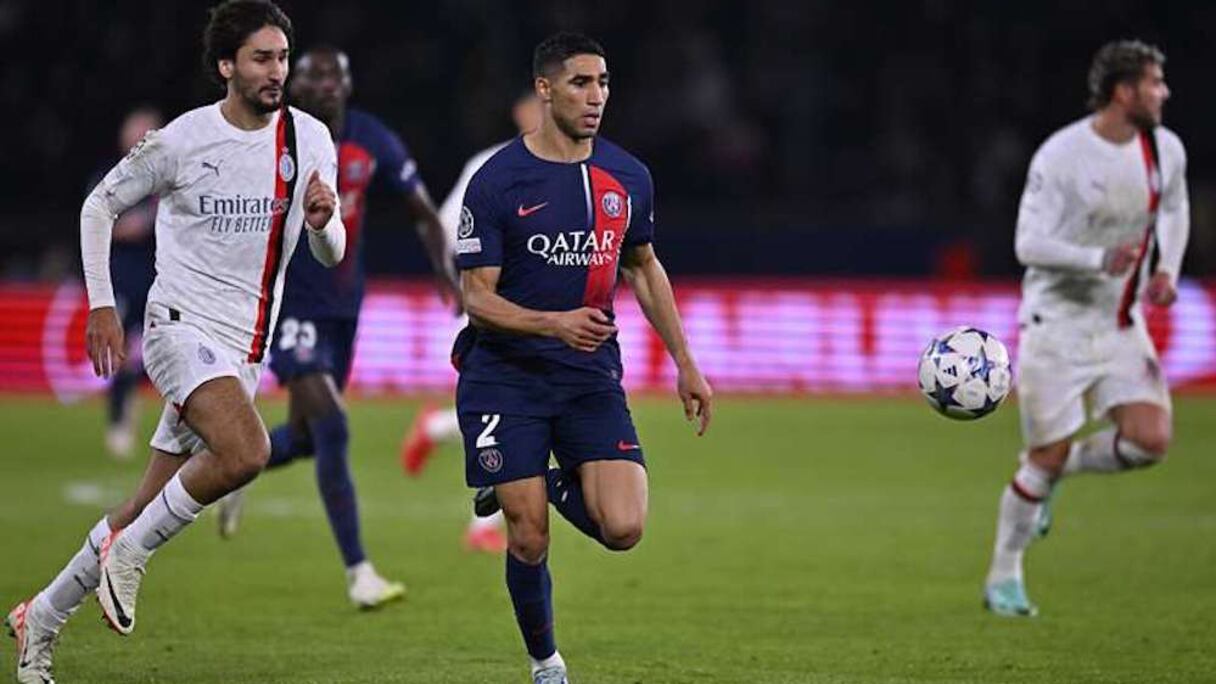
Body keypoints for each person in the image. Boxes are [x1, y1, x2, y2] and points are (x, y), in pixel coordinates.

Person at [5, 2, 345, 681]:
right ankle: (129, 557)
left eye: (282, 58)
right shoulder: (183, 142)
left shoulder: (309, 140)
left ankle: (38, 619)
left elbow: (330, 252)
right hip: (177, 330)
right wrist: (102, 305)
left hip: (242, 350)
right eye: (261, 58)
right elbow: (99, 205)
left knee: (137, 506)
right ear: (227, 66)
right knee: (248, 451)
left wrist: (321, 223)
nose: (277, 71)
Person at [453, 33, 713, 683]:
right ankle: (547, 665)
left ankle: (524, 472)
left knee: (623, 527)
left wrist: (685, 360)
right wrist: (551, 323)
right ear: (545, 89)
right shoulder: (497, 181)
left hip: (589, 376)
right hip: (504, 377)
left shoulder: (627, 177)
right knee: (528, 535)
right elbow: (476, 299)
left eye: (602, 83)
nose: (595, 96)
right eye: (579, 83)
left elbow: (645, 268)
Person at [214, 45, 454, 609]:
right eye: (311, 77)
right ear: (294, 88)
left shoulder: (371, 140)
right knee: (334, 426)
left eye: (332, 76)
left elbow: (422, 211)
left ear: (347, 85)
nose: (322, 85)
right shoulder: (271, 139)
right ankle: (359, 574)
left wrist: (448, 273)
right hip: (288, 305)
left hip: (344, 308)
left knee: (302, 439)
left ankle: (229, 466)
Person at [983, 40, 1188, 617]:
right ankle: (1005, 577)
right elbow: (1028, 243)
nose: (1164, 92)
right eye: (1154, 83)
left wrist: (1167, 267)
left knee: (1151, 442)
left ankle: (1057, 471)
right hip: (1057, 328)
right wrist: (1097, 260)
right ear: (1124, 92)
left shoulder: (1163, 149)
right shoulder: (1062, 155)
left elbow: (1172, 208)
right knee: (1040, 460)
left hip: (1120, 324)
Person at [400, 89, 543, 554]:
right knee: (521, 411)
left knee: (524, 411)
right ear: (523, 111)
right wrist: (467, 285)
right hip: (500, 305)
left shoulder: (573, 165)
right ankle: (484, 523)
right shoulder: (492, 163)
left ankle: (438, 429)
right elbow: (445, 222)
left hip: (544, 307)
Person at [91, 107, 163, 459]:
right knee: (118, 351)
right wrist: (131, 226)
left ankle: (175, 428)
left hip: (161, 278)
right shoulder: (108, 178)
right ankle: (118, 421)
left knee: (158, 352)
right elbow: (96, 223)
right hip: (121, 275)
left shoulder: (166, 178)